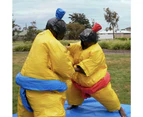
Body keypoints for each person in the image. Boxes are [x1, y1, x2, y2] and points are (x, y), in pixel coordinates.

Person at [15, 8, 75, 117]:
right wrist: (72, 69)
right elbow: (65, 69)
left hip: (25, 89)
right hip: (44, 92)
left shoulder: (40, 37)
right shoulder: (54, 44)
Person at [65, 23, 126, 117]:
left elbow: (83, 69)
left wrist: (68, 67)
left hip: (95, 82)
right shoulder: (81, 45)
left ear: (91, 41)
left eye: (85, 41)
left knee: (110, 100)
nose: (83, 42)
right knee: (71, 90)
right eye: (82, 40)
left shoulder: (96, 51)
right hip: (77, 80)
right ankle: (74, 103)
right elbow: (70, 48)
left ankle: (118, 108)